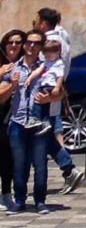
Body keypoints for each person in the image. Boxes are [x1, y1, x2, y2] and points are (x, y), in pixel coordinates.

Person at [5, 31, 59, 213]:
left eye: (36, 44)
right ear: (24, 45)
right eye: (29, 42)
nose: (31, 46)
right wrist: (11, 86)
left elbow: (61, 92)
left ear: (41, 47)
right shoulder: (14, 68)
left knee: (40, 165)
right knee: (19, 164)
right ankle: (19, 200)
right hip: (18, 121)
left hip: (39, 123)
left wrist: (49, 98)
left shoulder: (47, 67)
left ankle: (40, 201)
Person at [29, 13, 78, 195]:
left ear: (43, 23)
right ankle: (68, 169)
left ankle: (68, 168)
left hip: (45, 95)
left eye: (36, 21)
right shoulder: (62, 38)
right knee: (46, 134)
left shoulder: (50, 42)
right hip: (51, 95)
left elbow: (46, 69)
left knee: (42, 134)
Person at [0, 31, 22, 211]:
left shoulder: (25, 64)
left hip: (19, 116)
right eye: (10, 42)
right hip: (2, 115)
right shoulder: (2, 65)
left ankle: (8, 194)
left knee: (13, 158)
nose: (13, 45)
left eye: (17, 42)